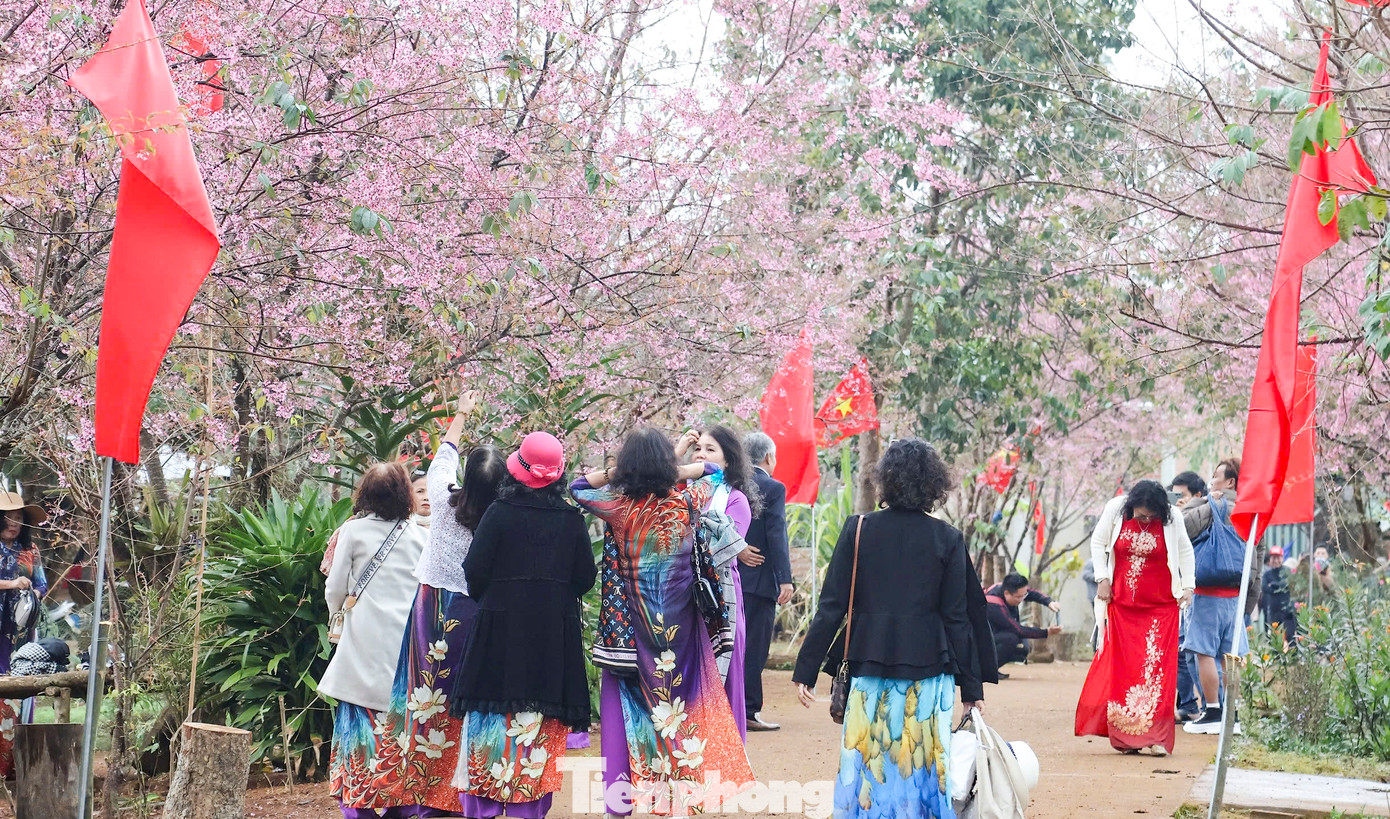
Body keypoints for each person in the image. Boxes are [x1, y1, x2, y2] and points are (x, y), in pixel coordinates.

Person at [794, 438, 997, 819]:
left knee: (869, 759)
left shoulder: (858, 529)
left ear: (884, 479)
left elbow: (833, 605)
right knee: (922, 763)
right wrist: (972, 688)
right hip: (930, 667)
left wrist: (806, 670)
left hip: (869, 662)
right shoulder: (947, 538)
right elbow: (959, 617)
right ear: (934, 484)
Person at [571, 428, 754, 818]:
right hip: (683, 631)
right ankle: (682, 797)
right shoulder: (686, 500)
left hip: (633, 633)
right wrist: (678, 468)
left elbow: (577, 487)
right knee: (681, 709)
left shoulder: (618, 507)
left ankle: (628, 799)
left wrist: (620, 473)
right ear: (668, 466)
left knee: (634, 710)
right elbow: (714, 473)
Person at [369, 392, 507, 815]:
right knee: (461, 701)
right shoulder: (503, 515)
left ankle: (406, 790)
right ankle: (452, 794)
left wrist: (462, 412)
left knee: (418, 693)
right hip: (474, 611)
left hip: (430, 608)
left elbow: (444, 454)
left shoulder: (445, 500)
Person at [450, 431, 596, 819]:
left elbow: (474, 570)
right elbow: (585, 578)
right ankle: (527, 808)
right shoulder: (571, 520)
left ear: (516, 470)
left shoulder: (499, 513)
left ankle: (482, 806)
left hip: (498, 633)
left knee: (491, 718)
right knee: (540, 724)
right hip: (552, 638)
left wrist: (495, 598)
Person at [320, 462, 431, 817]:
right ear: (405, 495)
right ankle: (402, 805)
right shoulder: (419, 535)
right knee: (402, 728)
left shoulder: (352, 532)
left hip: (362, 645)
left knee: (358, 723)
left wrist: (337, 613)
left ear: (365, 494)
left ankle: (359, 805)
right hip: (406, 646)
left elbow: (335, 587)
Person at [1075, 479, 1194, 757]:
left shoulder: (1173, 517)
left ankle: (1156, 737)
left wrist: (1188, 585)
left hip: (1161, 606)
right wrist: (1102, 579)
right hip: (1123, 605)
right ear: (1132, 506)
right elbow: (1098, 542)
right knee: (1126, 668)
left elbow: (1185, 550)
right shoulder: (1116, 509)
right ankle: (1127, 736)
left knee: (1156, 669)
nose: (1146, 520)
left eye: (1152, 516)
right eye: (1141, 515)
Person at [676, 425, 763, 740]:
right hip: (679, 599)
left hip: (718, 601)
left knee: (721, 677)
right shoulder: (677, 495)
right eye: (697, 449)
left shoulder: (735, 499)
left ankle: (725, 752)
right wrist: (677, 452)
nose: (701, 455)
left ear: (728, 460)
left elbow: (721, 550)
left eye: (710, 450)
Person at [1181, 458, 1255, 735]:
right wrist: (1249, 600)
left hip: (1208, 593)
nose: (1211, 481)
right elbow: (1254, 558)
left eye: (1215, 476)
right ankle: (1231, 714)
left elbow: (1184, 528)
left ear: (1229, 482)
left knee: (1204, 653)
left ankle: (1212, 711)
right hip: (1235, 595)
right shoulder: (1249, 511)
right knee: (1229, 656)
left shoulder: (1214, 505)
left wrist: (1206, 502)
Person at [740, 431, 794, 732]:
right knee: (755, 647)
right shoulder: (772, 487)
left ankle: (730, 708)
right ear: (769, 457)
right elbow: (777, 534)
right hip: (759, 580)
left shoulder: (729, 483)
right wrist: (785, 579)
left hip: (726, 579)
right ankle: (749, 710)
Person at [0, 490, 49, 778]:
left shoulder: (30, 551)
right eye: (8, 517)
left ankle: (14, 764)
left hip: (20, 632)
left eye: (18, 518)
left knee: (19, 688)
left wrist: (32, 595)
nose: (13, 523)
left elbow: (42, 584)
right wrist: (11, 584)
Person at [1169, 471, 1206, 722]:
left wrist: (1184, 513)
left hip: (1198, 591)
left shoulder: (1204, 514)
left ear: (1197, 495)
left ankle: (1208, 706)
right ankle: (1188, 704)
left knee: (1193, 653)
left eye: (1181, 495)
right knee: (1180, 652)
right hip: (1176, 591)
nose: (1176, 501)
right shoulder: (1169, 518)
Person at [985, 573, 1062, 670]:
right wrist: (1046, 632)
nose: (1021, 600)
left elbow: (1032, 593)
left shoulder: (1007, 588)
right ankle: (986, 670)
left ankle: (993, 669)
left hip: (997, 633)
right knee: (1011, 639)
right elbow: (1018, 630)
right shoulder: (994, 605)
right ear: (1006, 593)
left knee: (1024, 648)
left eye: (1023, 596)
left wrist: (1049, 602)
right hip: (982, 640)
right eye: (1018, 597)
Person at [1260, 546, 1296, 646]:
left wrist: (1273, 585)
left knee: (1290, 637)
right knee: (1275, 637)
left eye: (1278, 557)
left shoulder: (1287, 571)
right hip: (1274, 610)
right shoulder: (1267, 574)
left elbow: (1288, 585)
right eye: (1273, 558)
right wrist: (1278, 587)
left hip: (1288, 609)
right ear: (1270, 559)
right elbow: (1265, 588)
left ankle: (1293, 654)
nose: (1276, 560)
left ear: (1282, 558)